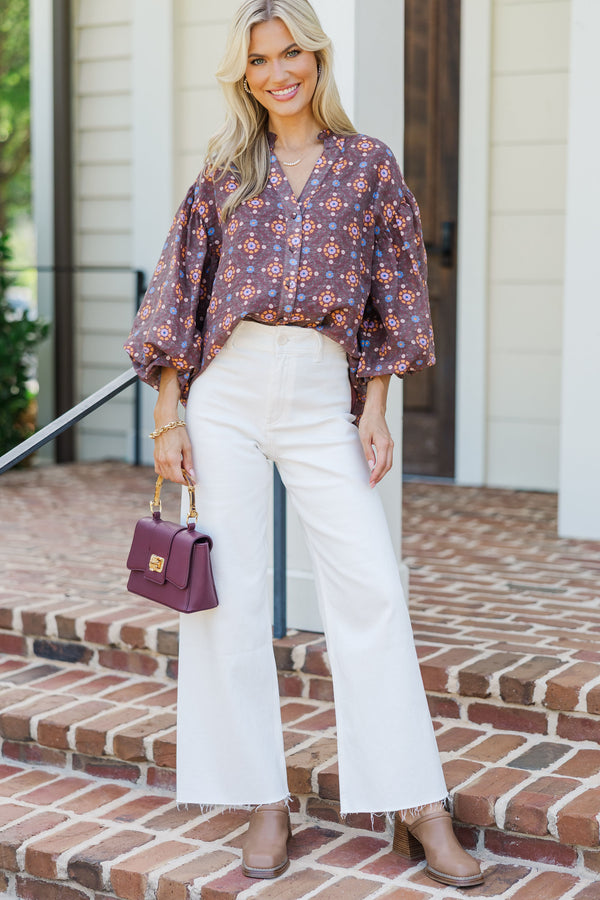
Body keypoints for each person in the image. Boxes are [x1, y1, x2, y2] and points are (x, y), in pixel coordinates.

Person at [125, 0, 483, 888]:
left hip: (323, 387)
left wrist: (376, 406)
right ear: (242, 74)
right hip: (228, 390)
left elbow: (395, 295)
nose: (278, 72)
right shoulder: (223, 168)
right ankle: (262, 799)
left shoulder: (367, 166)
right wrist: (169, 415)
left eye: (292, 53)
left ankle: (416, 803)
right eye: (259, 61)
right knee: (231, 601)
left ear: (317, 59)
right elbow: (180, 293)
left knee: (370, 590)